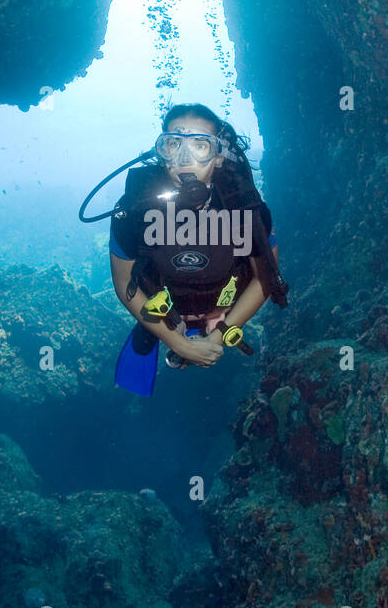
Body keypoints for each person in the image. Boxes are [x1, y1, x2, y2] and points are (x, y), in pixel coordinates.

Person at [108, 104, 286, 394]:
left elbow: (266, 277)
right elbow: (124, 282)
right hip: (163, 307)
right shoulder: (133, 209)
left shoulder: (245, 208)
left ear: (217, 157)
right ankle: (157, 330)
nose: (184, 157)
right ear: (161, 153)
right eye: (173, 143)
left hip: (225, 310)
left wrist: (218, 336)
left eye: (200, 145)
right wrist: (176, 342)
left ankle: (202, 330)